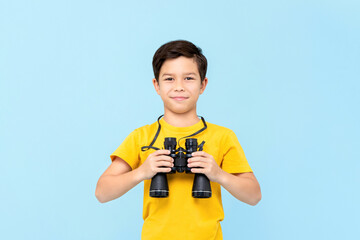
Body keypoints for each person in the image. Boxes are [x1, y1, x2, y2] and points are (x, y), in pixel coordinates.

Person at [95, 40, 262, 240]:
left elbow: (254, 196)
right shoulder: (141, 137)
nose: (179, 87)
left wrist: (218, 174)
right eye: (169, 79)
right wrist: (142, 172)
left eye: (189, 78)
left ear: (203, 84)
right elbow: (102, 193)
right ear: (156, 85)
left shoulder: (223, 137)